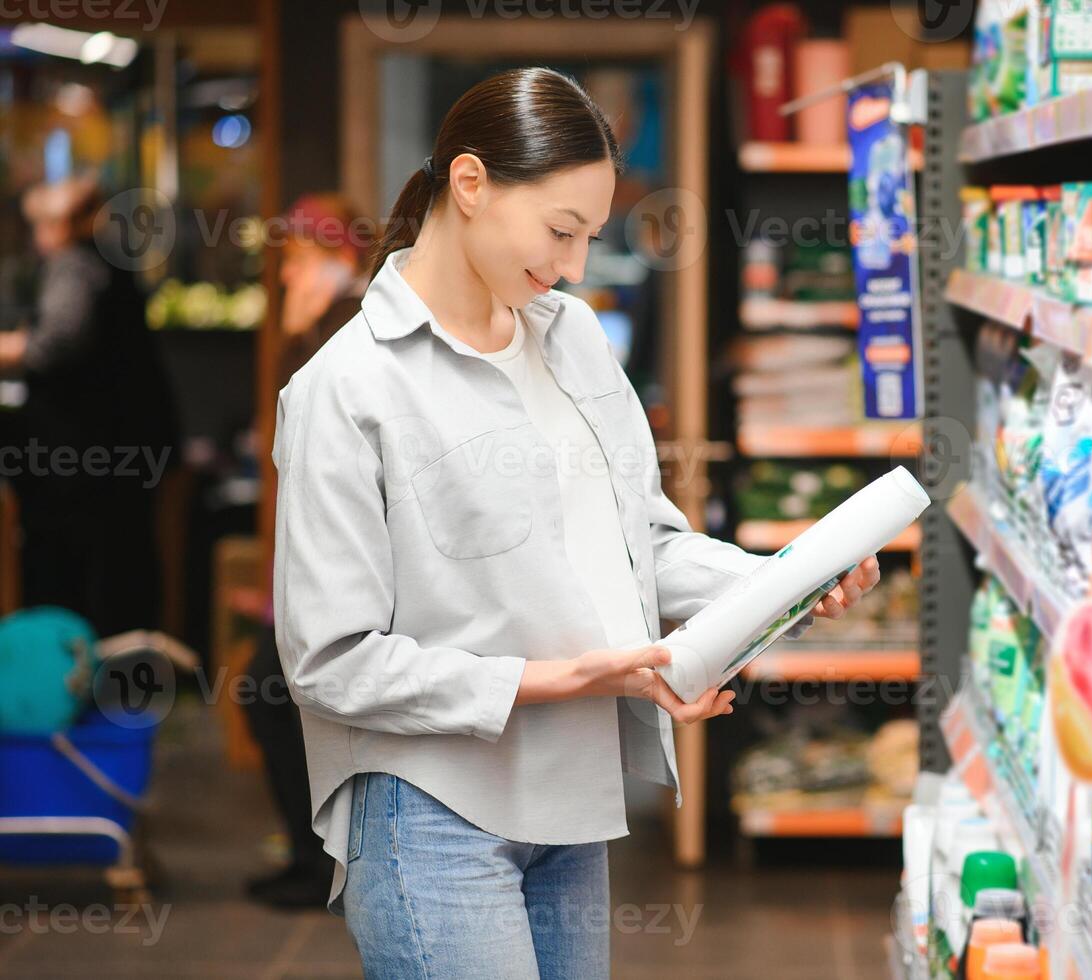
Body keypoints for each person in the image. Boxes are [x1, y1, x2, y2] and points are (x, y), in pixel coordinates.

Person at [271, 67, 881, 979]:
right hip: (429, 811)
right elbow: (330, 660)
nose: (575, 265)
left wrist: (782, 581)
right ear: (469, 184)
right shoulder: (347, 389)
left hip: (573, 801)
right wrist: (559, 677)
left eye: (590, 237)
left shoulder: (575, 339)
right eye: (562, 231)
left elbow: (647, 543)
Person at [243, 193, 370, 908]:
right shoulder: (322, 327)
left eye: (296, 261)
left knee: (270, 694)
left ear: (336, 260)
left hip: (331, 569)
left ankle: (319, 860)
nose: (287, 277)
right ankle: (311, 855)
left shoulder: (339, 331)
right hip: (312, 567)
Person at [0, 176, 177, 635]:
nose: (38, 234)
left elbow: (56, 343)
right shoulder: (108, 261)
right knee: (122, 554)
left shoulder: (74, 265)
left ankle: (76, 664)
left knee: (78, 559)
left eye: (44, 222)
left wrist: (10, 347)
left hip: (85, 451)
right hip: (124, 444)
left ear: (66, 225)